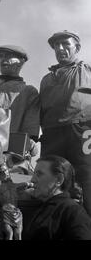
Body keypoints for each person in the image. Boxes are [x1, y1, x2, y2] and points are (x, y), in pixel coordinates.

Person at [39, 30, 91, 216]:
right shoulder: (46, 79)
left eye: (65, 44)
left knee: (86, 177)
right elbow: (41, 109)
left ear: (76, 47)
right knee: (51, 178)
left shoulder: (87, 71)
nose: (60, 49)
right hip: (52, 133)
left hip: (82, 129)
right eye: (56, 46)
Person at [22, 155, 91, 240]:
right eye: (34, 174)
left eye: (39, 174)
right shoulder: (34, 204)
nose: (32, 179)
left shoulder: (73, 211)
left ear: (59, 180)